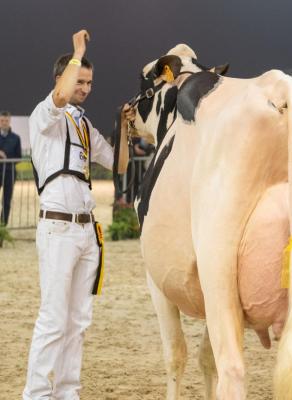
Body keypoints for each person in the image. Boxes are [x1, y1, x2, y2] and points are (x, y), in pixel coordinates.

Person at [23, 29, 132, 400]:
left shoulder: (84, 126)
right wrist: (78, 51)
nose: (85, 87)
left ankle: (67, 392)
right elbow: (61, 97)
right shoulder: (46, 114)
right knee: (54, 319)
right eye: (79, 80)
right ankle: (36, 394)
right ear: (63, 77)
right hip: (57, 227)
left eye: (89, 82)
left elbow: (117, 163)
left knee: (78, 321)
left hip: (87, 233)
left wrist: (125, 125)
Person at [0, 110, 22, 224]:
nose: (4, 123)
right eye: (2, 120)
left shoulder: (16, 138)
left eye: (6, 121)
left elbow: (19, 157)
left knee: (6, 202)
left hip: (9, 173)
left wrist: (6, 157)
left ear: (10, 121)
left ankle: (2, 230)